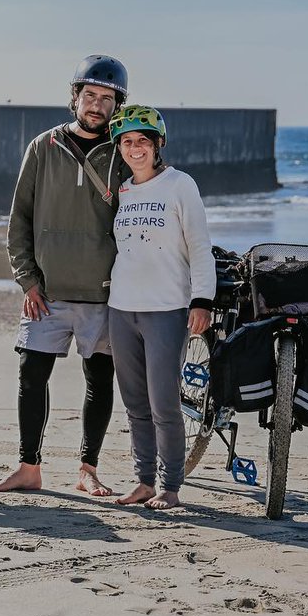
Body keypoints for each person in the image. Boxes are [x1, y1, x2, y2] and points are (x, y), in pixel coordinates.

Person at [0, 55, 130, 496]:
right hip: (46, 292)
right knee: (31, 376)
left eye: (107, 98)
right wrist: (27, 280)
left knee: (99, 381)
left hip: (104, 294)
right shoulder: (43, 147)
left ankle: (88, 468)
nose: (96, 105)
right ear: (75, 97)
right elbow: (19, 221)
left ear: (117, 105)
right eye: (90, 95)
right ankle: (29, 466)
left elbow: (144, 220)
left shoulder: (124, 150)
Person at [105, 105, 215, 510]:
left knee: (163, 402)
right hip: (121, 309)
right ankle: (143, 481)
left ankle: (170, 486)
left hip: (167, 309)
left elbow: (199, 245)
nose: (135, 149)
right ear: (120, 147)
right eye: (128, 142)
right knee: (135, 403)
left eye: (143, 142)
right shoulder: (123, 191)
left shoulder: (180, 185)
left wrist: (202, 299)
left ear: (158, 145)